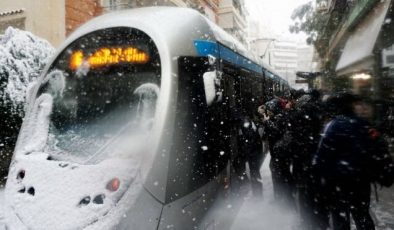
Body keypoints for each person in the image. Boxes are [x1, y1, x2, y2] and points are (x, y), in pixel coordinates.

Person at [312, 92, 392, 230]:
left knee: (340, 217)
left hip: (338, 183)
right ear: (351, 106)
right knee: (362, 215)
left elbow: (321, 158)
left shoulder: (332, 126)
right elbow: (378, 149)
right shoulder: (364, 125)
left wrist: (321, 181)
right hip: (360, 180)